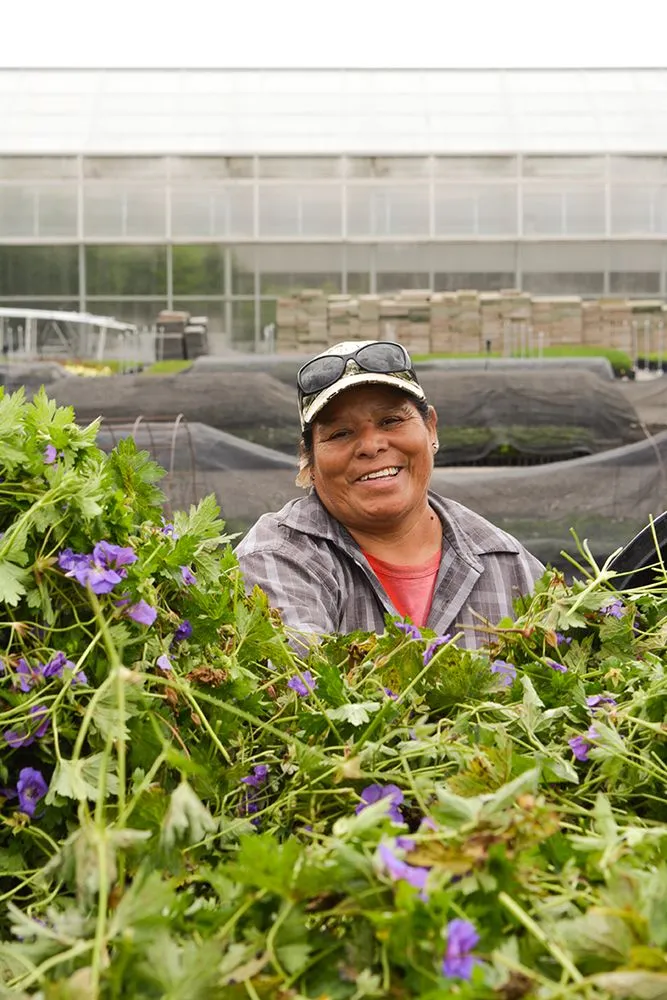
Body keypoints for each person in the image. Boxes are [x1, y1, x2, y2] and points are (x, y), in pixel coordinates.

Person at [235, 340, 544, 649]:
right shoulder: (279, 557)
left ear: (431, 429)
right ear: (309, 459)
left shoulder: (507, 563)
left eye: (391, 421)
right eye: (340, 433)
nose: (371, 446)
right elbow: (302, 672)